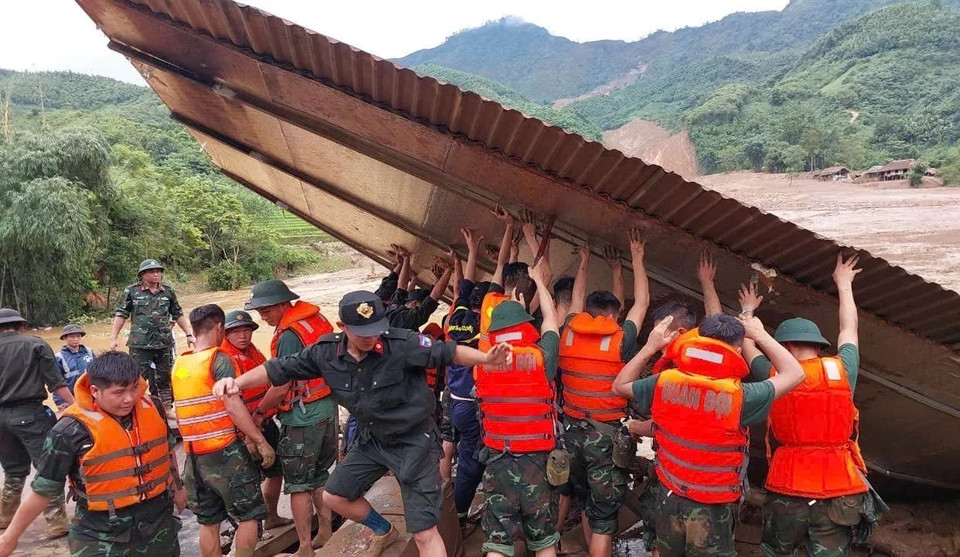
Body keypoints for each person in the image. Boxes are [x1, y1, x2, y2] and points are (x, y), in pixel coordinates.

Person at [212, 290, 513, 557]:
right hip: (374, 440)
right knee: (334, 495)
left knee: (424, 533)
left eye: (376, 329)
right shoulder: (325, 352)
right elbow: (276, 369)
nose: (371, 337)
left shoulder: (402, 343)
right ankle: (383, 530)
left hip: (414, 441)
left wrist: (486, 359)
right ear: (343, 327)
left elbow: (450, 352)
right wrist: (235, 383)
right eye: (362, 331)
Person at [612, 313, 805, 557]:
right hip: (712, 508)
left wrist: (651, 346)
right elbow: (795, 374)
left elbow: (619, 385)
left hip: (669, 497)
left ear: (699, 339)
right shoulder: (742, 396)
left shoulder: (664, 381)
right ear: (737, 348)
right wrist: (759, 334)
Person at [742, 254, 875, 557]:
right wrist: (844, 284)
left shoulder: (773, 375)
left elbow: (748, 347)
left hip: (790, 488)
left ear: (785, 347)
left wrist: (749, 311)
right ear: (818, 345)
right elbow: (849, 329)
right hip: (838, 490)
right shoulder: (843, 370)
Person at [0, 351, 185, 557]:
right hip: (101, 534)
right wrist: (10, 537)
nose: (129, 398)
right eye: (119, 392)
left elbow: (165, 451)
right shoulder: (69, 430)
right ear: (95, 390)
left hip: (158, 527)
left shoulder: (153, 407)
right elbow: (44, 489)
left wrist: (178, 489)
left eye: (134, 388)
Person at [558, 230, 649, 557]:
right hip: (605, 441)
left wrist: (583, 262)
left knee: (585, 503)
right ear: (613, 316)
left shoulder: (568, 332)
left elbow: (578, 299)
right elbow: (642, 303)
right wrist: (636, 257)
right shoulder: (620, 340)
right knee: (604, 518)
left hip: (571, 437)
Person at [172, 304, 274, 557]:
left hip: (194, 458)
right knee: (250, 514)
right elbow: (232, 404)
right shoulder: (218, 359)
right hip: (225, 452)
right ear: (220, 327)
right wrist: (258, 439)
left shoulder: (180, 365)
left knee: (209, 522)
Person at [243, 279, 337, 554]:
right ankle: (326, 531)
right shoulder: (313, 320)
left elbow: (281, 385)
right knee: (319, 475)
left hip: (303, 415)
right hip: (327, 407)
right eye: (259, 311)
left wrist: (259, 413)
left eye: (267, 309)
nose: (263, 315)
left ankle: (305, 546)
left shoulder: (288, 335)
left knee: (298, 485)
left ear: (285, 303)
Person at [476, 260, 561, 557]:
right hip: (536, 462)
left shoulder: (482, 365)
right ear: (526, 325)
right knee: (544, 540)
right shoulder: (542, 358)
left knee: (498, 541)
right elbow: (551, 322)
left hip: (498, 460)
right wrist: (539, 282)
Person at [0, 308, 72, 538]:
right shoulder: (36, 345)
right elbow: (56, 384)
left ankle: (5, 516)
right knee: (47, 468)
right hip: (29, 415)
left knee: (13, 468)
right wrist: (79, 406)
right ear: (22, 326)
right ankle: (56, 522)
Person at [219, 309, 293, 531]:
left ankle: (271, 517)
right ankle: (251, 530)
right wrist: (250, 437)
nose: (243, 335)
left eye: (247, 330)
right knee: (247, 480)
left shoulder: (251, 351)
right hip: (244, 428)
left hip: (264, 420)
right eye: (236, 331)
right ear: (225, 333)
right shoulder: (225, 359)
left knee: (276, 469)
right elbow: (232, 403)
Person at [444, 228, 490, 529]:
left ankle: (449, 501)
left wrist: (471, 251)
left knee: (455, 447)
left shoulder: (454, 320)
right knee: (473, 462)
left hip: (453, 398)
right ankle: (458, 518)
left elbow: (463, 288)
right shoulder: (484, 329)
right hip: (472, 406)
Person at [110, 259, 195, 414]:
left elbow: (178, 314)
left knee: (165, 377)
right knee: (137, 378)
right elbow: (121, 314)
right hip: (140, 344)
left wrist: (189, 334)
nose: (156, 274)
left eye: (158, 271)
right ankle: (136, 409)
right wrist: (114, 337)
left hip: (164, 343)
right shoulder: (132, 291)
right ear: (143, 274)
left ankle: (167, 409)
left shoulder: (168, 292)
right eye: (151, 271)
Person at [387, 255, 454, 332]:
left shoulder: (406, 314)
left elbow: (434, 297)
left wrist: (446, 271)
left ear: (414, 303)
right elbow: (433, 297)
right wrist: (406, 258)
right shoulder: (397, 312)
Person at [53, 324, 96, 410]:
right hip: (70, 398)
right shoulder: (59, 357)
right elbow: (56, 382)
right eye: (72, 337)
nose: (76, 339)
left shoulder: (89, 352)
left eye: (78, 336)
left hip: (89, 395)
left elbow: (97, 372)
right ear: (65, 338)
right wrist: (60, 402)